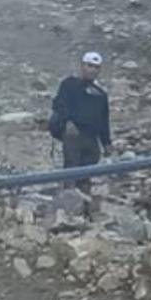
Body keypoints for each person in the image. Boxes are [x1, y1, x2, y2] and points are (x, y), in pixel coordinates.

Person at [49, 51, 111, 195]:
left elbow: (104, 120)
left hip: (92, 137)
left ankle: (84, 204)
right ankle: (68, 200)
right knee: (71, 167)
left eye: (96, 67)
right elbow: (59, 104)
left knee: (88, 170)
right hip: (73, 134)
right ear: (82, 66)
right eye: (90, 66)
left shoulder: (100, 94)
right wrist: (67, 122)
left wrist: (106, 142)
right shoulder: (69, 84)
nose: (92, 70)